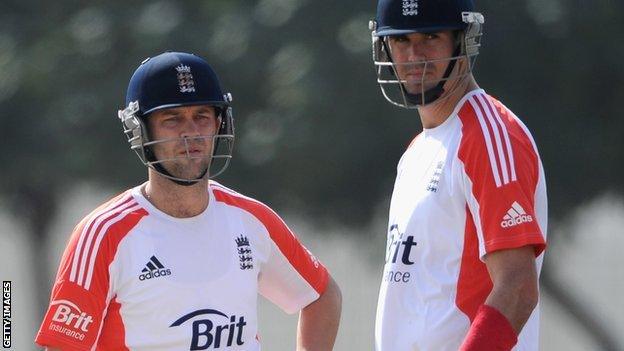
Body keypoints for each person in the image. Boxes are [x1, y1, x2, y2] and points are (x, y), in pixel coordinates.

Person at [35, 51, 341, 351]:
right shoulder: (103, 234)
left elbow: (321, 296)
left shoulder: (250, 219)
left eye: (202, 116)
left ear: (220, 123)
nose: (191, 133)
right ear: (140, 130)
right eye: (172, 119)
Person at [369, 1, 547, 350]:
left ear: (464, 40)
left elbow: (518, 286)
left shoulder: (488, 135)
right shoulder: (417, 150)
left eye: (431, 36)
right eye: (401, 40)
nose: (414, 55)